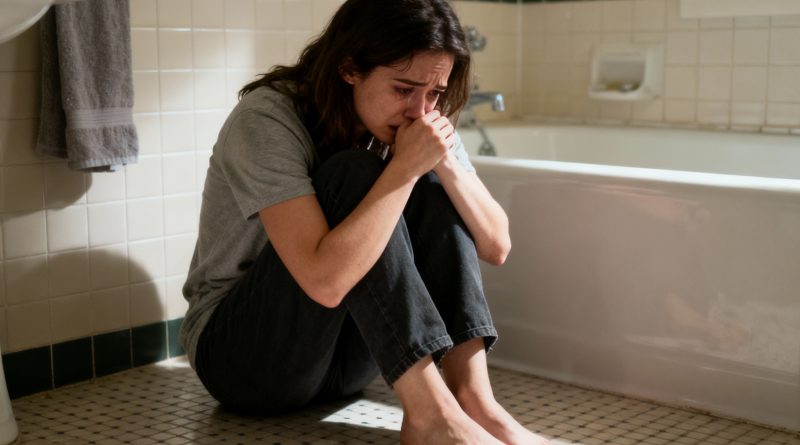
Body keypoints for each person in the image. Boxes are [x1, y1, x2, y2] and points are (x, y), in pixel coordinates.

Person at [180, 0, 550, 443]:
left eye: (434, 94)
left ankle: (476, 403)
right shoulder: (267, 118)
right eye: (403, 89)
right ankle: (431, 417)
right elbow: (324, 283)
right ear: (349, 68)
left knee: (433, 180)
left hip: (348, 364)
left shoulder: (420, 117)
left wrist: (443, 163)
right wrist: (404, 169)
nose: (420, 111)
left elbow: (496, 244)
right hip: (245, 360)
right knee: (355, 172)